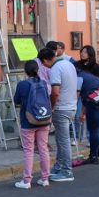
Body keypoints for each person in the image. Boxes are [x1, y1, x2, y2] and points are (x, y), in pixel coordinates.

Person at [37, 47, 78, 182]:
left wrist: (52, 107)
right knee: (62, 140)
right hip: (71, 106)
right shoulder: (68, 63)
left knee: (63, 141)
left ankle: (67, 171)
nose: (44, 67)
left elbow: (55, 92)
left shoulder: (55, 69)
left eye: (43, 64)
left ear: (45, 60)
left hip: (61, 108)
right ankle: (59, 166)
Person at [13, 60, 51, 189]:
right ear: (37, 70)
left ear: (25, 71)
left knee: (29, 151)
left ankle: (27, 180)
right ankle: (45, 178)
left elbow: (16, 100)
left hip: (28, 121)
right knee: (43, 149)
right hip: (44, 119)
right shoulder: (44, 83)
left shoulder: (22, 84)